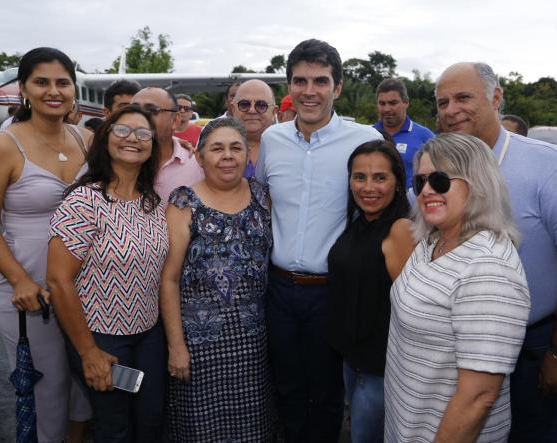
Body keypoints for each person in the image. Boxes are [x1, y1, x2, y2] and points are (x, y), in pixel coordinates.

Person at [435, 61, 557, 443]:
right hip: (454, 342)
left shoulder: (550, 167)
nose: (450, 110)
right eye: (442, 102)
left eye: (463, 97)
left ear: (496, 97)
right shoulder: (437, 167)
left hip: (530, 346)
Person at [256, 38, 382, 442]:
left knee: (328, 393)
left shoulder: (364, 140)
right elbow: (263, 200)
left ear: (338, 88)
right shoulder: (272, 141)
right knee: (287, 389)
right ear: (288, 88)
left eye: (321, 81)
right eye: (300, 81)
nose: (309, 91)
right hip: (277, 288)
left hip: (333, 290)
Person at [0, 46, 92, 443]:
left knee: (84, 391)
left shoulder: (88, 139)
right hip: (29, 292)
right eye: (42, 82)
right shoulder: (3, 147)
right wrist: (20, 280)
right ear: (23, 88)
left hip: (83, 289)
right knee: (49, 390)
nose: (53, 91)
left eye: (63, 82)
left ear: (74, 89)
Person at [385, 133, 530, 442]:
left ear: (477, 183)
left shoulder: (489, 269)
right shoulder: (433, 240)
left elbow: (478, 398)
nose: (426, 190)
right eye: (420, 181)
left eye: (439, 180)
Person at [46, 104, 168, 442]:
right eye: (123, 130)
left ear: (152, 146)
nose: (133, 139)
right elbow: (58, 280)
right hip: (101, 337)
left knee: (151, 421)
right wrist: (89, 353)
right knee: (114, 429)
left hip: (148, 334)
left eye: (143, 133)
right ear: (106, 139)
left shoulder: (153, 203)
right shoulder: (84, 201)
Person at [160, 118, 273, 441]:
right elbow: (169, 280)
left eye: (236, 147)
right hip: (198, 347)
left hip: (253, 345)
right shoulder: (183, 203)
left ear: (247, 156)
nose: (227, 156)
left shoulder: (262, 198)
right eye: (217, 148)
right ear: (200, 157)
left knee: (252, 429)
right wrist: (176, 346)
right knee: (202, 431)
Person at [326, 140, 413, 442]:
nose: (368, 187)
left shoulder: (400, 229)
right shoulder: (359, 222)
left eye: (380, 177)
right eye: (359, 177)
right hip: (354, 362)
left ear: (398, 183)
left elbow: (411, 310)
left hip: (382, 368)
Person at [132, 87, 204, 201]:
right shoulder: (117, 161)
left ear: (175, 120)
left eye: (151, 110)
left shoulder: (197, 166)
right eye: (134, 110)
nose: (139, 116)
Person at [373, 78, 434, 187]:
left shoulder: (426, 137)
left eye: (393, 103)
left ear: (406, 102)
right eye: (382, 103)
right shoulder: (367, 134)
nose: (387, 109)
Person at [231, 79, 277, 177]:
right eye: (244, 104)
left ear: (273, 112)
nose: (252, 110)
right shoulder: (214, 147)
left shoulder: (288, 148)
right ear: (233, 109)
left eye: (261, 105)